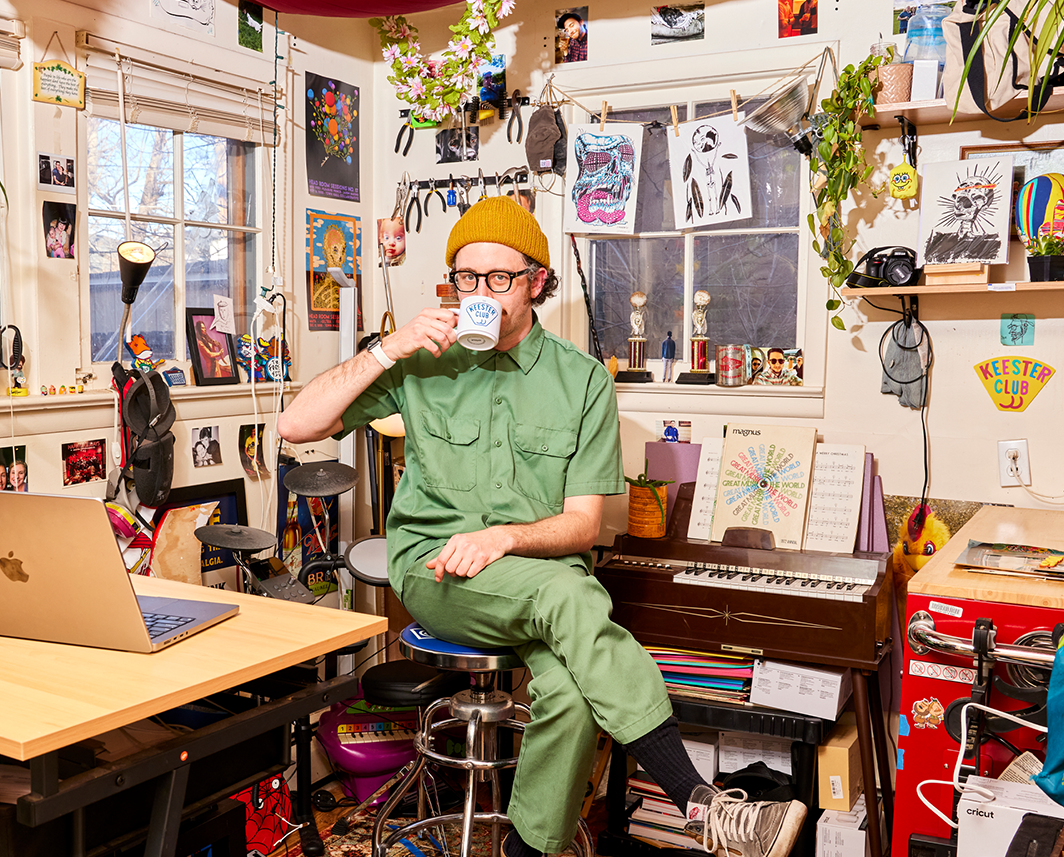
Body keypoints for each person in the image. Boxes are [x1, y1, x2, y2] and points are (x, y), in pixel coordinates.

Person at [276, 196, 806, 857]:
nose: (481, 293)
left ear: (535, 282)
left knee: (572, 686)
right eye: (466, 279)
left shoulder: (582, 380)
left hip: (542, 581)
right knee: (572, 597)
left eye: (499, 278)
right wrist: (390, 346)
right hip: (438, 572)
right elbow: (296, 426)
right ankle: (699, 801)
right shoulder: (420, 362)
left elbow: (582, 526)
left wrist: (505, 537)